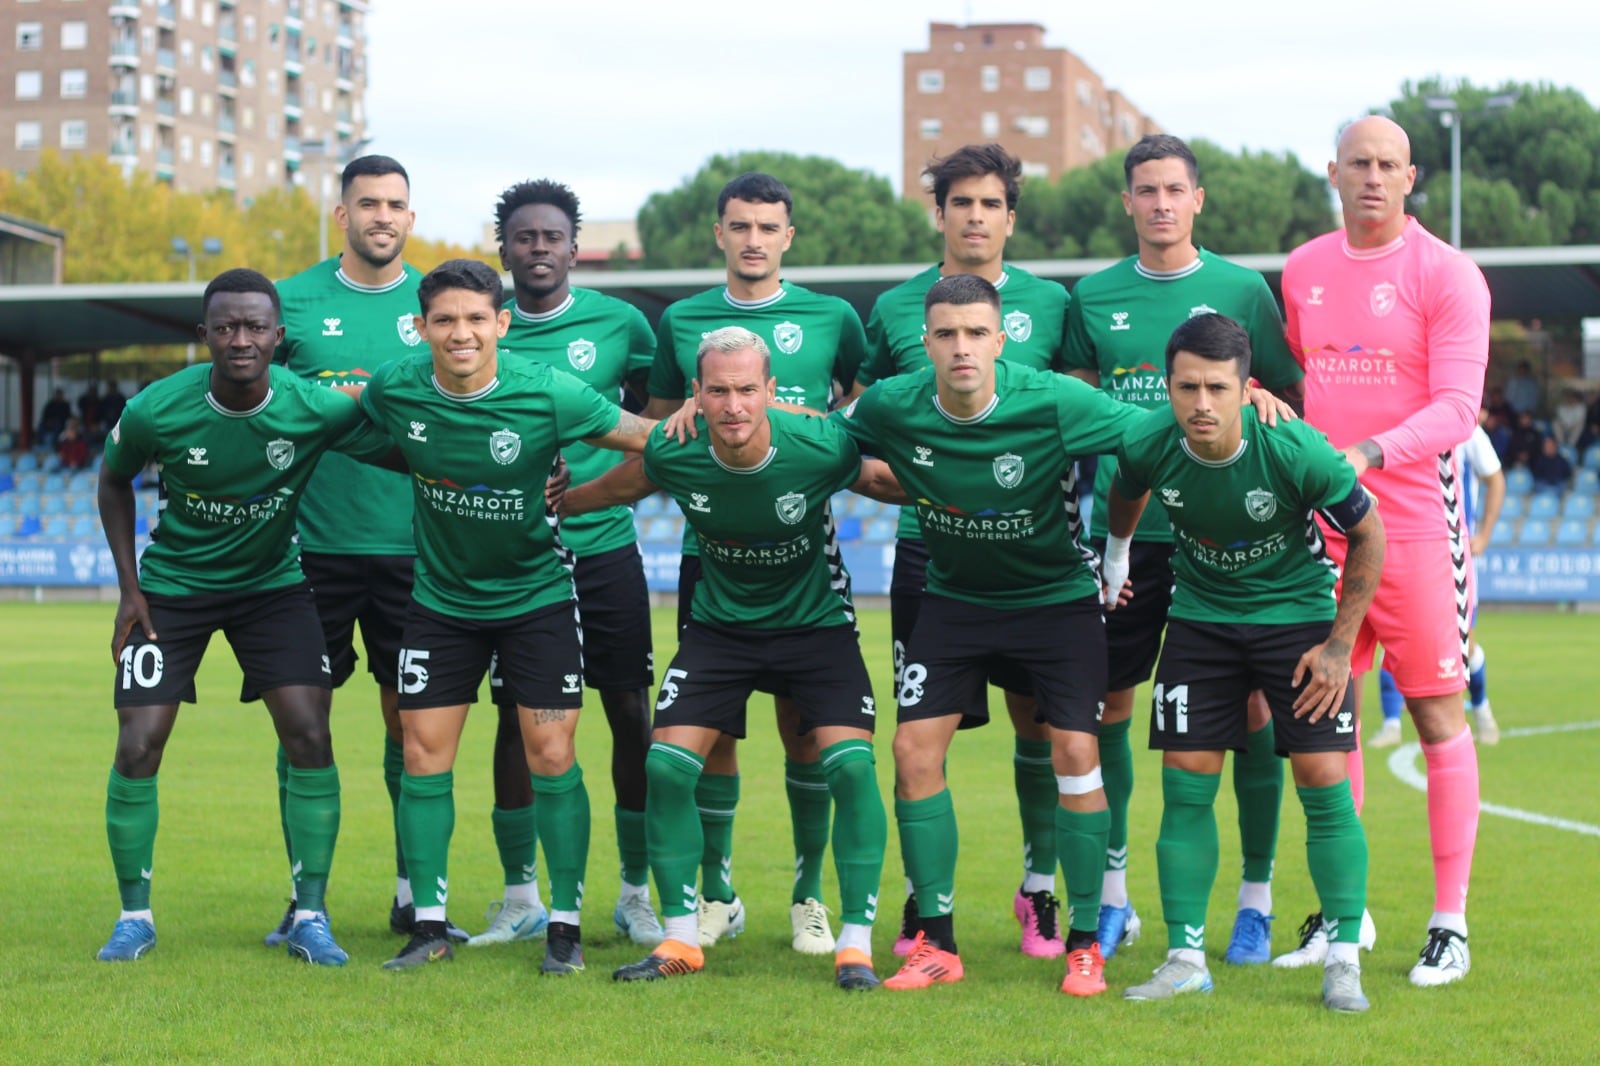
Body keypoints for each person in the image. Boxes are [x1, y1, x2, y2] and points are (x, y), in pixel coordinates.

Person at [835, 272, 1147, 997]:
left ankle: (1083, 943)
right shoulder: (892, 402)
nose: (961, 348)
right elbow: (828, 446)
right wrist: (904, 481)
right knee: (912, 749)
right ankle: (936, 942)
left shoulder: (1054, 399)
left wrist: (1116, 552)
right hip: (955, 599)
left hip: (1056, 601)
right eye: (946, 334)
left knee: (1073, 752)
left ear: (1000, 340)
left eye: (976, 333)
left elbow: (1152, 438)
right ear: (926, 344)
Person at [566, 327, 896, 989]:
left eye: (748, 389)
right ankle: (680, 939)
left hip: (816, 628)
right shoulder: (675, 449)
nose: (734, 404)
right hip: (721, 631)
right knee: (665, 767)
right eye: (718, 390)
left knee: (853, 769)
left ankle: (854, 943)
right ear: (697, 395)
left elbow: (886, 478)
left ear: (771, 392)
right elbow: (614, 487)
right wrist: (549, 504)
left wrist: (968, 491)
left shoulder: (820, 446)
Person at [357, 259, 657, 973]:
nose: (460, 333)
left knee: (552, 755)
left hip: (538, 601)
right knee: (424, 754)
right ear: (420, 326)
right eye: (444, 320)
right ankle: (428, 926)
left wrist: (590, 494)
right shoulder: (394, 386)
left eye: (474, 319)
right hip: (440, 603)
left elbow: (652, 439)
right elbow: (357, 433)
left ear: (501, 323)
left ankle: (564, 928)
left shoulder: (550, 392)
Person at [93, 268, 395, 966]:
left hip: (273, 587)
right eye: (225, 327)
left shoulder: (312, 406)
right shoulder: (156, 409)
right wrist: (129, 588)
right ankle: (134, 916)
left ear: (277, 337)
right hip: (172, 588)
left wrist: (492, 462)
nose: (240, 339)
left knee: (310, 734)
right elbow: (111, 479)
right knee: (139, 744)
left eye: (255, 326)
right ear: (203, 336)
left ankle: (310, 916)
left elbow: (398, 447)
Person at [1063, 133, 1305, 967]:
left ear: (1198, 199)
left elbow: (1285, 398)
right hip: (1131, 538)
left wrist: (1267, 398)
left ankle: (1257, 899)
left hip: (1233, 539)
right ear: (1126, 202)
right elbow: (1077, 412)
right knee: (1111, 712)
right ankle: (1116, 898)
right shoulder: (1090, 298)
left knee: (1254, 718)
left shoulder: (1243, 289)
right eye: (1145, 190)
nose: (1160, 203)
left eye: (1175, 189)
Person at [1106, 313, 1383, 1012]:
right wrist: (1113, 558)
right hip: (1200, 620)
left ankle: (1343, 958)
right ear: (1166, 386)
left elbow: (1368, 532)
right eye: (1187, 387)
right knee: (1186, 781)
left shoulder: (1293, 448)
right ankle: (1184, 957)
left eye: (1218, 389)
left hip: (1296, 621)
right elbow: (1126, 490)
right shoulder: (1147, 440)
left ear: (1244, 388)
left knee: (1322, 779)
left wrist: (1339, 648)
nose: (1201, 404)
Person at [1277, 115, 1488, 987]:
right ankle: (1345, 913)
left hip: (1410, 527)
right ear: (1333, 172)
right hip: (1321, 529)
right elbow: (1303, 379)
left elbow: (1457, 410)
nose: (1372, 176)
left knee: (1438, 713)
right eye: (1357, 162)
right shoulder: (1303, 268)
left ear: (1411, 179)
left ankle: (1450, 924)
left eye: (1388, 165)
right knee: (1330, 711)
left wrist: (1365, 453)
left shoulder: (1449, 275)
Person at [849, 143, 1074, 960]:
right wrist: (907, 483)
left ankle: (1040, 888)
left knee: (1039, 727)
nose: (975, 217)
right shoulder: (895, 308)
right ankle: (923, 901)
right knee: (919, 735)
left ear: (1011, 216)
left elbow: (1078, 413)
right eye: (961, 203)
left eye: (991, 204)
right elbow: (863, 420)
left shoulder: (1053, 305)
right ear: (938, 213)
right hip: (928, 555)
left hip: (1033, 560)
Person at [643, 172, 868, 954]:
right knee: (711, 733)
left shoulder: (832, 315)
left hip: (804, 539)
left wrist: (812, 419)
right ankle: (718, 891)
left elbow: (862, 408)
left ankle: (809, 897)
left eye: (767, 227)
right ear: (719, 233)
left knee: (808, 730)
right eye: (739, 226)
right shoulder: (682, 319)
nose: (753, 240)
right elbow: (656, 426)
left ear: (787, 237)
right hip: (711, 550)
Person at [265, 154, 459, 946]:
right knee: (302, 724)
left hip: (418, 551)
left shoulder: (435, 307)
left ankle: (414, 892)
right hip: (310, 551)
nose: (384, 216)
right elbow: (258, 411)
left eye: (397, 205)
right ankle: (304, 895)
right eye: (368, 204)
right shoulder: (290, 303)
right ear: (341, 214)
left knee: (409, 724)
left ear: (411, 218)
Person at [467, 178, 662, 949]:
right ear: (504, 248)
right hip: (513, 561)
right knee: (518, 725)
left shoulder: (622, 325)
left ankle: (636, 893)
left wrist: (600, 485)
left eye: (552, 237)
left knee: (627, 715)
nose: (538, 248)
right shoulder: (483, 328)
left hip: (604, 548)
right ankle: (520, 894)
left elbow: (654, 418)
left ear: (575, 248)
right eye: (524, 237)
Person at [1373, 417, 1506, 747]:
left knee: (1464, 645)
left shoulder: (1465, 430)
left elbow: (1495, 479)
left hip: (1451, 555)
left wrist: (1484, 534)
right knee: (1393, 640)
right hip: (1396, 550)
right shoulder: (1387, 422)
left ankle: (1482, 708)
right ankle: (1391, 723)